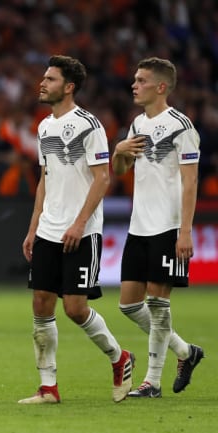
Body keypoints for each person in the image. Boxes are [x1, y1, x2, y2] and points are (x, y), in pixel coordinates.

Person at [19, 55, 134, 404]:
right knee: (41, 304)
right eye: (43, 77)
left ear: (68, 87)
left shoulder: (89, 125)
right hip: (48, 230)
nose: (42, 83)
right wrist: (33, 226)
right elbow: (45, 178)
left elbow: (103, 178)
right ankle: (48, 387)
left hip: (81, 232)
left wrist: (80, 222)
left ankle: (120, 358)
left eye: (50, 79)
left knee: (75, 308)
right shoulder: (43, 127)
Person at [111, 57, 204, 398]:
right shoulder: (137, 124)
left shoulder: (181, 125)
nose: (134, 85)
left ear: (160, 87)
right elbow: (121, 170)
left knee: (157, 303)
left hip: (168, 225)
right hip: (139, 226)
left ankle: (152, 381)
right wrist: (119, 150)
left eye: (141, 80)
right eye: (135, 79)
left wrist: (185, 231)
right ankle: (185, 351)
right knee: (128, 304)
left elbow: (190, 181)